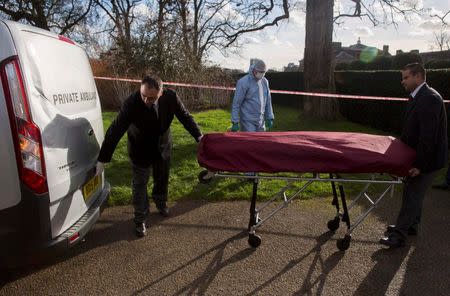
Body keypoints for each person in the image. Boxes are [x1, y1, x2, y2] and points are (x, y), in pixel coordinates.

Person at [96, 74, 203, 237]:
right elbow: (115, 129)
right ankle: (140, 219)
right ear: (140, 89)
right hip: (140, 148)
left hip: (163, 146)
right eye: (143, 95)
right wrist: (103, 159)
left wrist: (199, 137)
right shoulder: (132, 103)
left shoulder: (171, 97)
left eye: (151, 98)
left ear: (161, 93)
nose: (146, 100)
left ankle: (161, 202)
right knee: (139, 184)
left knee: (162, 178)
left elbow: (185, 117)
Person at [380, 63, 448, 248]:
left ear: (418, 77)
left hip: (428, 159)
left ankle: (399, 235)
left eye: (406, 77)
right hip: (420, 156)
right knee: (413, 192)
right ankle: (411, 225)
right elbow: (412, 131)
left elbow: (429, 137)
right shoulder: (418, 96)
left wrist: (419, 165)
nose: (402, 81)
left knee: (412, 194)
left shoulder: (430, 98)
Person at [231, 58, 274, 132]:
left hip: (261, 120)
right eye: (260, 72)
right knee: (250, 142)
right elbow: (236, 103)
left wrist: (269, 117)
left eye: (263, 72)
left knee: (261, 141)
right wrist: (235, 121)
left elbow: (267, 101)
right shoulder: (243, 82)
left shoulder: (265, 82)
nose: (261, 74)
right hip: (247, 120)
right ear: (254, 70)